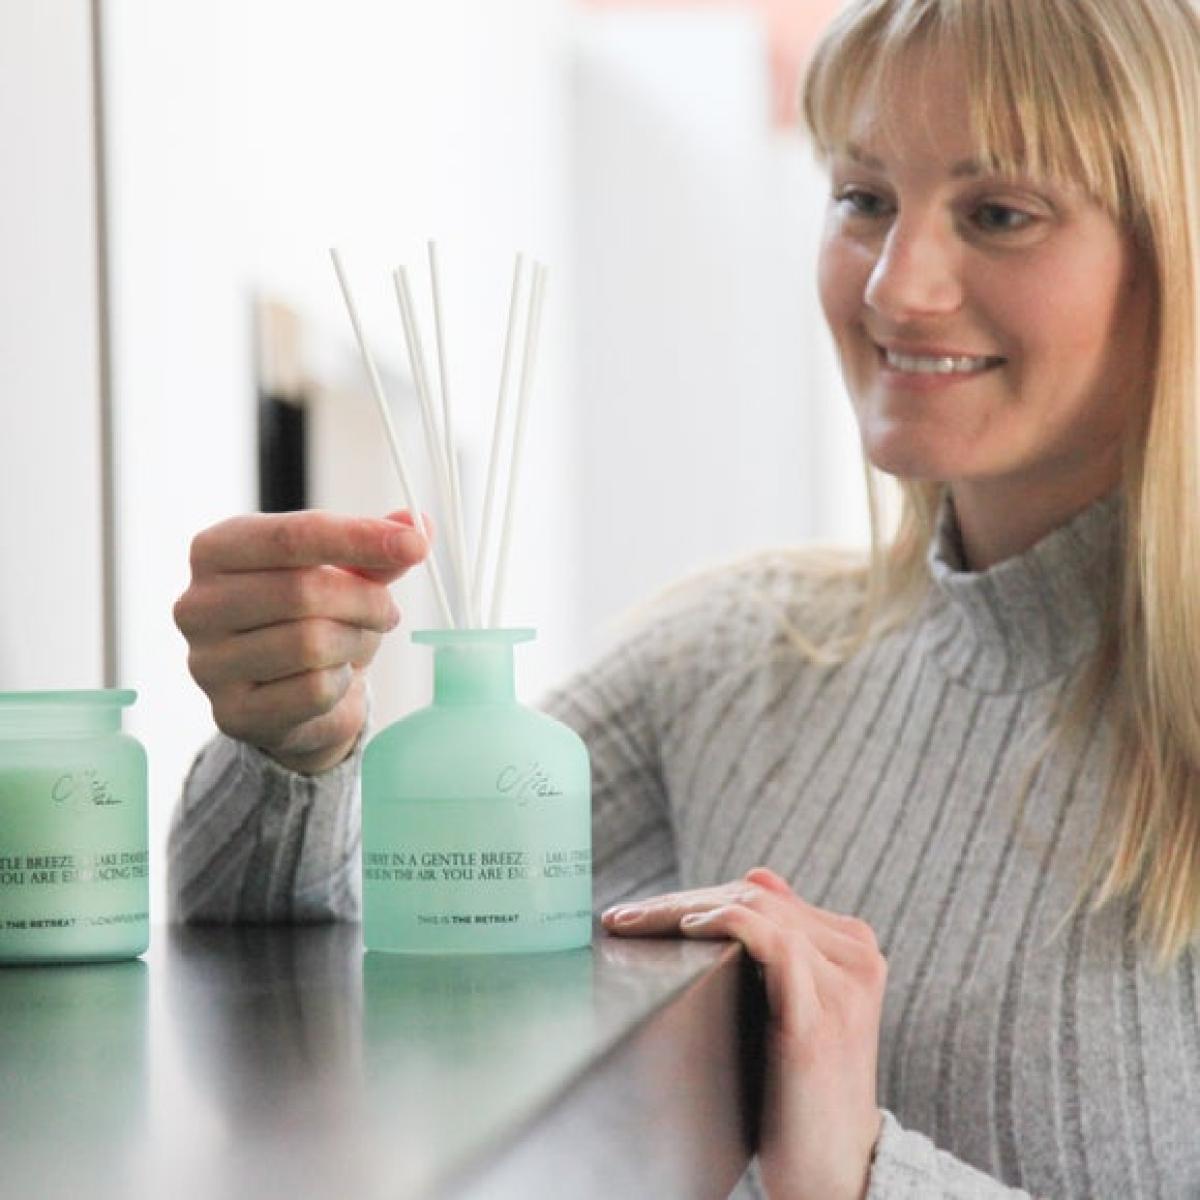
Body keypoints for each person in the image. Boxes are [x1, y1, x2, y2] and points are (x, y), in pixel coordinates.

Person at [169, 0, 1200, 1195]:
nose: (895, 287)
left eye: (1000, 213)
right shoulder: (727, 657)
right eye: (862, 198)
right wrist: (287, 757)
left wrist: (864, 1174)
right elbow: (317, 978)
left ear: (1172, 254)